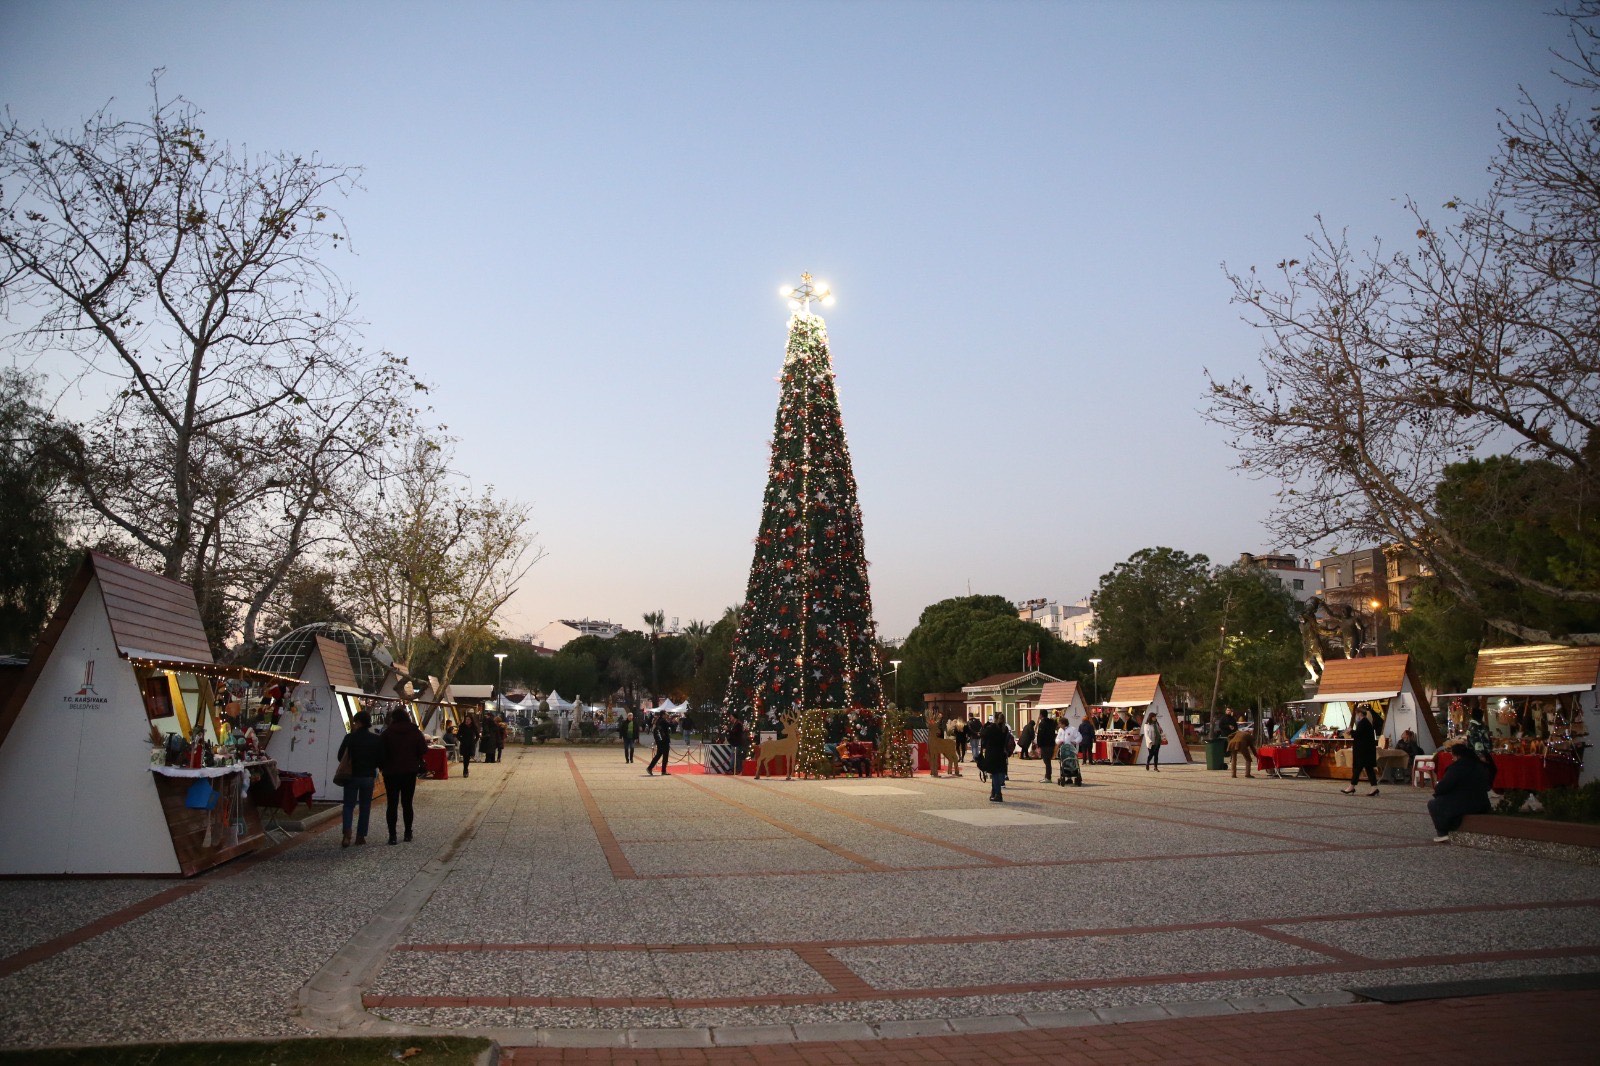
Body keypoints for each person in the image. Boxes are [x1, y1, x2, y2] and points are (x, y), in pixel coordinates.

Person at [380, 706, 428, 845]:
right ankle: (408, 832)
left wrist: (383, 766)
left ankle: (392, 835)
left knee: (392, 803)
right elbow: (423, 750)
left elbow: (381, 753)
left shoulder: (387, 733)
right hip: (409, 771)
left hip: (391, 772)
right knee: (407, 803)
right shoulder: (415, 732)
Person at [337, 709, 384, 847]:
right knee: (365, 806)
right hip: (368, 776)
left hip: (351, 775)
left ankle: (347, 833)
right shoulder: (376, 738)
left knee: (348, 805)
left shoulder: (349, 738)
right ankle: (360, 836)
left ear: (358, 722)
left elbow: (340, 756)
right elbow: (380, 758)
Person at [1428, 743, 1493, 841]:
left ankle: (1442, 832)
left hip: (1465, 802)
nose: (1452, 759)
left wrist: (1438, 790)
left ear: (1457, 756)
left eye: (1452, 756)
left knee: (1433, 804)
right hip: (1482, 802)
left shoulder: (1457, 768)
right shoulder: (1479, 765)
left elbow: (1443, 787)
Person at [1342, 706, 1380, 796]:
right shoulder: (1366, 723)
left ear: (1360, 713)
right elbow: (1362, 734)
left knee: (1357, 769)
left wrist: (1351, 731)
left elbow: (1358, 735)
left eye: (1356, 714)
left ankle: (1351, 787)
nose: (1356, 716)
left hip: (1363, 752)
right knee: (1369, 769)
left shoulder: (1363, 723)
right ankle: (1374, 788)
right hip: (1367, 751)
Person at [980, 714, 1012, 801]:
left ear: (995, 719)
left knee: (994, 774)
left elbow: (982, 734)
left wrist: (986, 726)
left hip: (992, 753)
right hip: (1001, 753)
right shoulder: (1004, 728)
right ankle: (994, 792)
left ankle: (998, 794)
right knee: (999, 772)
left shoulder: (992, 728)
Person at [1228, 713, 1257, 778]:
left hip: (1232, 743)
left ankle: (1233, 774)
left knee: (1234, 759)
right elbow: (1252, 748)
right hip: (1241, 744)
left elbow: (1229, 736)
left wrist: (1230, 742)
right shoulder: (1250, 737)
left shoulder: (1239, 732)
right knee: (1248, 759)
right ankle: (1247, 774)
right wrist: (1256, 755)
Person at [647, 709, 673, 776]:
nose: (667, 715)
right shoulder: (663, 721)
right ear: (663, 715)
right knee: (665, 756)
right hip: (664, 741)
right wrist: (673, 721)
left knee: (658, 755)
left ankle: (650, 768)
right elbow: (671, 725)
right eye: (666, 714)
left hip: (660, 740)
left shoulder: (658, 720)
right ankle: (663, 771)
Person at [1035, 712, 1058, 782]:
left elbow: (1040, 735)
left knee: (1047, 761)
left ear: (1041, 715)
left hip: (1045, 744)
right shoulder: (1052, 722)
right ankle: (1047, 776)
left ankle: (1048, 777)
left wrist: (1038, 744)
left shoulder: (1042, 723)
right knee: (1048, 761)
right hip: (1051, 743)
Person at [457, 712, 480, 778]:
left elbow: (477, 736)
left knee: (468, 758)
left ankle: (466, 768)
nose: (467, 721)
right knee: (465, 757)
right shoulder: (462, 726)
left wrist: (474, 742)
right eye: (466, 719)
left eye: (468, 719)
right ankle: (465, 770)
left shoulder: (473, 727)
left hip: (471, 744)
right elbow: (458, 735)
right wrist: (462, 740)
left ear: (471, 720)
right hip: (464, 744)